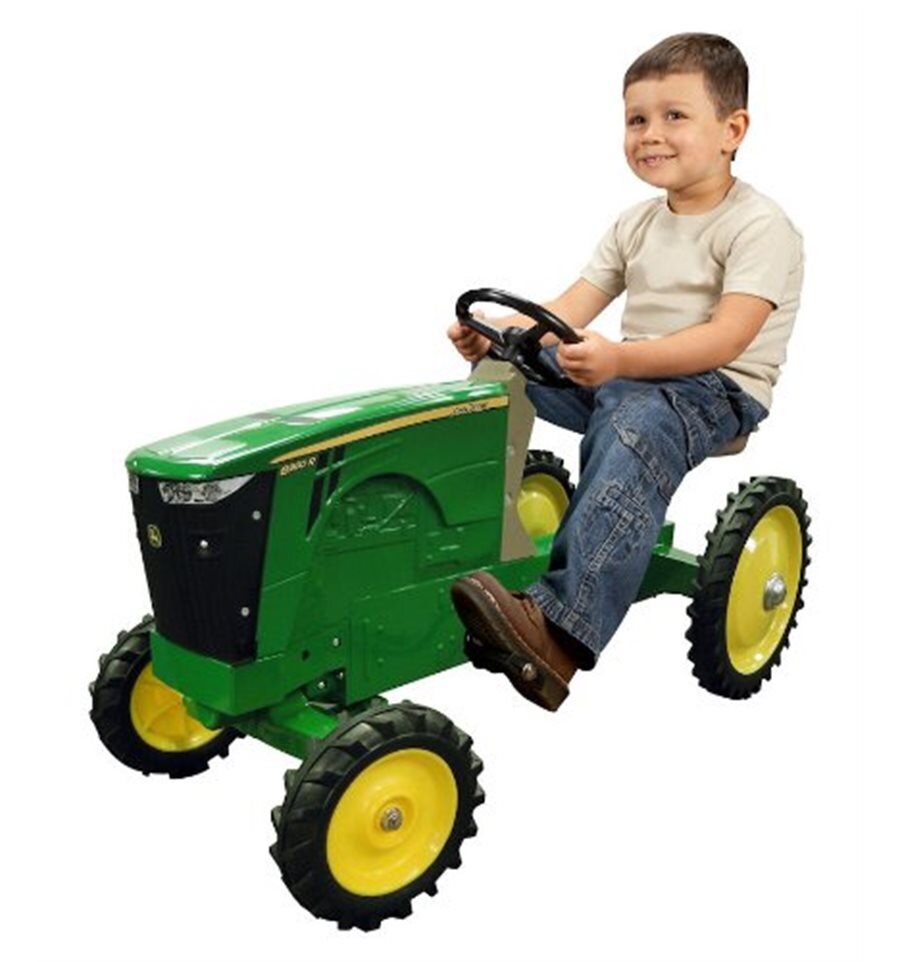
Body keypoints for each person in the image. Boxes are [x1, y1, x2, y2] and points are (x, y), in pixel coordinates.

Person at [446, 32, 804, 712]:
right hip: (629, 375)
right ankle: (469, 537)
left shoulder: (759, 226)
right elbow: (568, 309)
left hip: (715, 390)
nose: (651, 134)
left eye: (675, 116)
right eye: (637, 119)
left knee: (635, 418)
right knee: (505, 372)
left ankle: (561, 633)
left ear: (732, 131)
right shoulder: (635, 224)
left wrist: (619, 360)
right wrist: (499, 335)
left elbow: (728, 336)